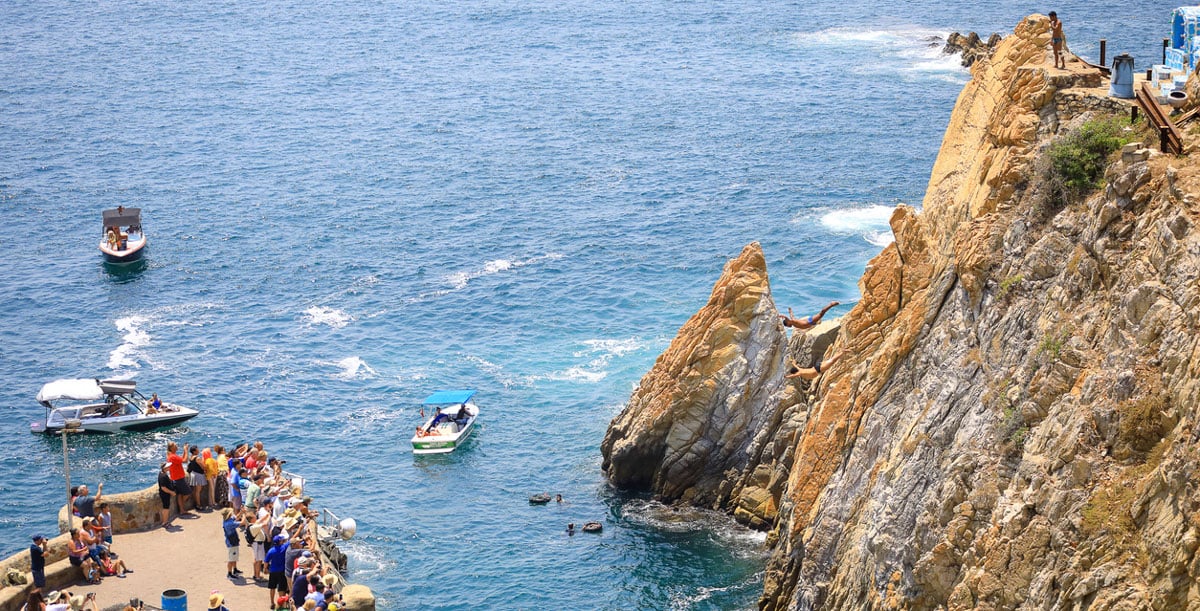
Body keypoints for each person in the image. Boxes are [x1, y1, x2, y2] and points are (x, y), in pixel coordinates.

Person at [265, 535, 292, 608]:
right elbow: (291, 540)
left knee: (272, 587)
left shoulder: (271, 550)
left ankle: (272, 602)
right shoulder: (283, 547)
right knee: (281, 588)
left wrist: (265, 569)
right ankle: (281, 604)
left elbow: (266, 561)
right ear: (280, 541)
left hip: (273, 571)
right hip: (281, 571)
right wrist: (299, 529)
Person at [166, 442, 192, 515]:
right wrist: (186, 450)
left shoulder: (172, 456)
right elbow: (185, 460)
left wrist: (184, 451)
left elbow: (182, 459)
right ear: (171, 448)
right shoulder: (173, 457)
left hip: (176, 478)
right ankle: (182, 507)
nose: (177, 446)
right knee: (188, 492)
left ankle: (181, 510)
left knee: (180, 494)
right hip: (178, 479)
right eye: (175, 445)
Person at [221, 508, 245, 579]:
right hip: (231, 542)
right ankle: (229, 573)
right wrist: (244, 515)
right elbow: (242, 522)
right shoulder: (229, 523)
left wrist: (241, 512)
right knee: (231, 558)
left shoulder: (228, 519)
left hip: (233, 541)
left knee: (234, 557)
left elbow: (236, 517)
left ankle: (235, 569)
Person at [157, 463, 176, 527]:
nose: (169, 467)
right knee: (166, 508)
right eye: (168, 467)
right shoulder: (163, 476)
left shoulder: (162, 474)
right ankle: (165, 522)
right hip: (165, 494)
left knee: (166, 508)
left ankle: (165, 521)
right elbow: (163, 488)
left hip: (165, 494)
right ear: (165, 468)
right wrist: (171, 492)